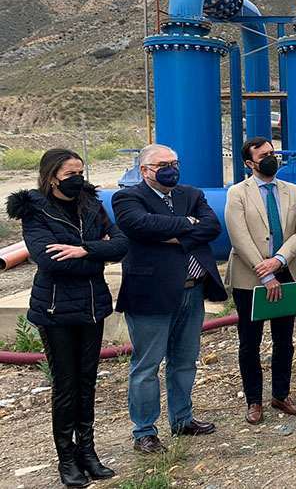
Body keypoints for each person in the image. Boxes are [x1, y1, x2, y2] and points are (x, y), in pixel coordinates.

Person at [6, 149, 128, 488]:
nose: (78, 177)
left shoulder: (91, 203)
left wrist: (84, 249)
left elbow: (120, 244)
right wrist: (96, 253)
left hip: (92, 306)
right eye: (71, 172)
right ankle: (67, 459)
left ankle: (88, 453)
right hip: (55, 309)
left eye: (81, 170)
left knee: (87, 383)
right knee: (66, 386)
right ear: (52, 176)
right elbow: (50, 261)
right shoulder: (34, 209)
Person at [112, 144, 227, 454]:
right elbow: (139, 226)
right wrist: (189, 225)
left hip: (193, 289)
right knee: (147, 365)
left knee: (184, 361)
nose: (170, 168)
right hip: (151, 292)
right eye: (163, 163)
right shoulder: (127, 198)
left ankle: (182, 419)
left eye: (174, 162)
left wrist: (172, 231)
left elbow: (212, 227)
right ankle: (145, 431)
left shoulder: (191, 194)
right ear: (145, 170)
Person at [225, 137, 296, 424]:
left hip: (285, 272)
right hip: (250, 279)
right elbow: (239, 236)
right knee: (250, 342)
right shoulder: (237, 193)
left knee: (284, 341)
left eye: (273, 153)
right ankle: (253, 401)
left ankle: (281, 394)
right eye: (264, 155)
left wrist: (280, 260)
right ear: (249, 163)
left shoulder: (292, 191)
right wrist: (266, 272)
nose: (271, 158)